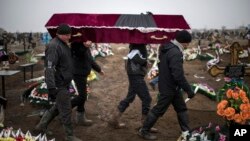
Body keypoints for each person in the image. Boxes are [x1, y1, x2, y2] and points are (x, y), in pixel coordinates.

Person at [138, 30, 195, 140]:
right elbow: (178, 75)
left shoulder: (166, 48)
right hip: (169, 87)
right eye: (188, 43)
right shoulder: (175, 53)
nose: (188, 45)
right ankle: (143, 131)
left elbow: (162, 66)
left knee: (181, 108)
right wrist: (189, 90)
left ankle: (186, 131)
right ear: (184, 42)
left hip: (171, 86)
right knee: (158, 110)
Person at [33, 23, 82, 141]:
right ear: (62, 34)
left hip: (64, 82)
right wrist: (51, 87)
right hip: (58, 84)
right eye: (68, 35)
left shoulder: (63, 44)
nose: (70, 37)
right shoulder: (54, 46)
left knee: (57, 107)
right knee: (65, 109)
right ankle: (69, 136)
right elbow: (49, 68)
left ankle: (41, 126)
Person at [108, 43, 157, 132]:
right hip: (136, 75)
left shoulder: (138, 44)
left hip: (135, 75)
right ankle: (145, 125)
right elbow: (134, 56)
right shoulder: (138, 44)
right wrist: (146, 62)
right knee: (147, 99)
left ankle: (114, 119)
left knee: (130, 97)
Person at [70, 41, 104, 126]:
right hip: (78, 74)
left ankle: (80, 118)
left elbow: (90, 59)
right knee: (82, 97)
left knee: (82, 96)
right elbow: (79, 53)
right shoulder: (76, 44)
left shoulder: (85, 45)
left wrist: (99, 69)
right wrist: (85, 46)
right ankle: (63, 109)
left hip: (83, 74)